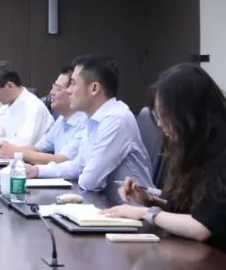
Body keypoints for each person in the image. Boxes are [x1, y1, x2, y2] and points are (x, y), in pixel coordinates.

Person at [102, 64, 226, 251]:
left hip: (224, 260)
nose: (160, 124)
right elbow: (189, 207)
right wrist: (148, 200)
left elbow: (201, 227)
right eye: (157, 115)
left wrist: (145, 213)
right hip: (194, 252)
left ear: (191, 114)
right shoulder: (196, 149)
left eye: (164, 115)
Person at [26, 54, 152, 202]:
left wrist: (80, 172)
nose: (68, 90)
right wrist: (37, 170)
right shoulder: (92, 118)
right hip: (104, 203)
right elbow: (78, 165)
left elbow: (90, 181)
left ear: (94, 88)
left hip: (130, 210)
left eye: (73, 84)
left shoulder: (116, 119)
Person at [0, 61, 53, 156]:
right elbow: (0, 131)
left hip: (30, 162)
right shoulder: (11, 104)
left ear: (10, 86)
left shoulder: (33, 107)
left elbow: (20, 146)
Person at [16, 66, 86, 165]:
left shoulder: (85, 122)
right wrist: (9, 150)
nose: (51, 93)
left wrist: (16, 153)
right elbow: (37, 148)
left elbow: (63, 160)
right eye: (53, 87)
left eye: (57, 89)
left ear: (72, 91)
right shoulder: (61, 119)